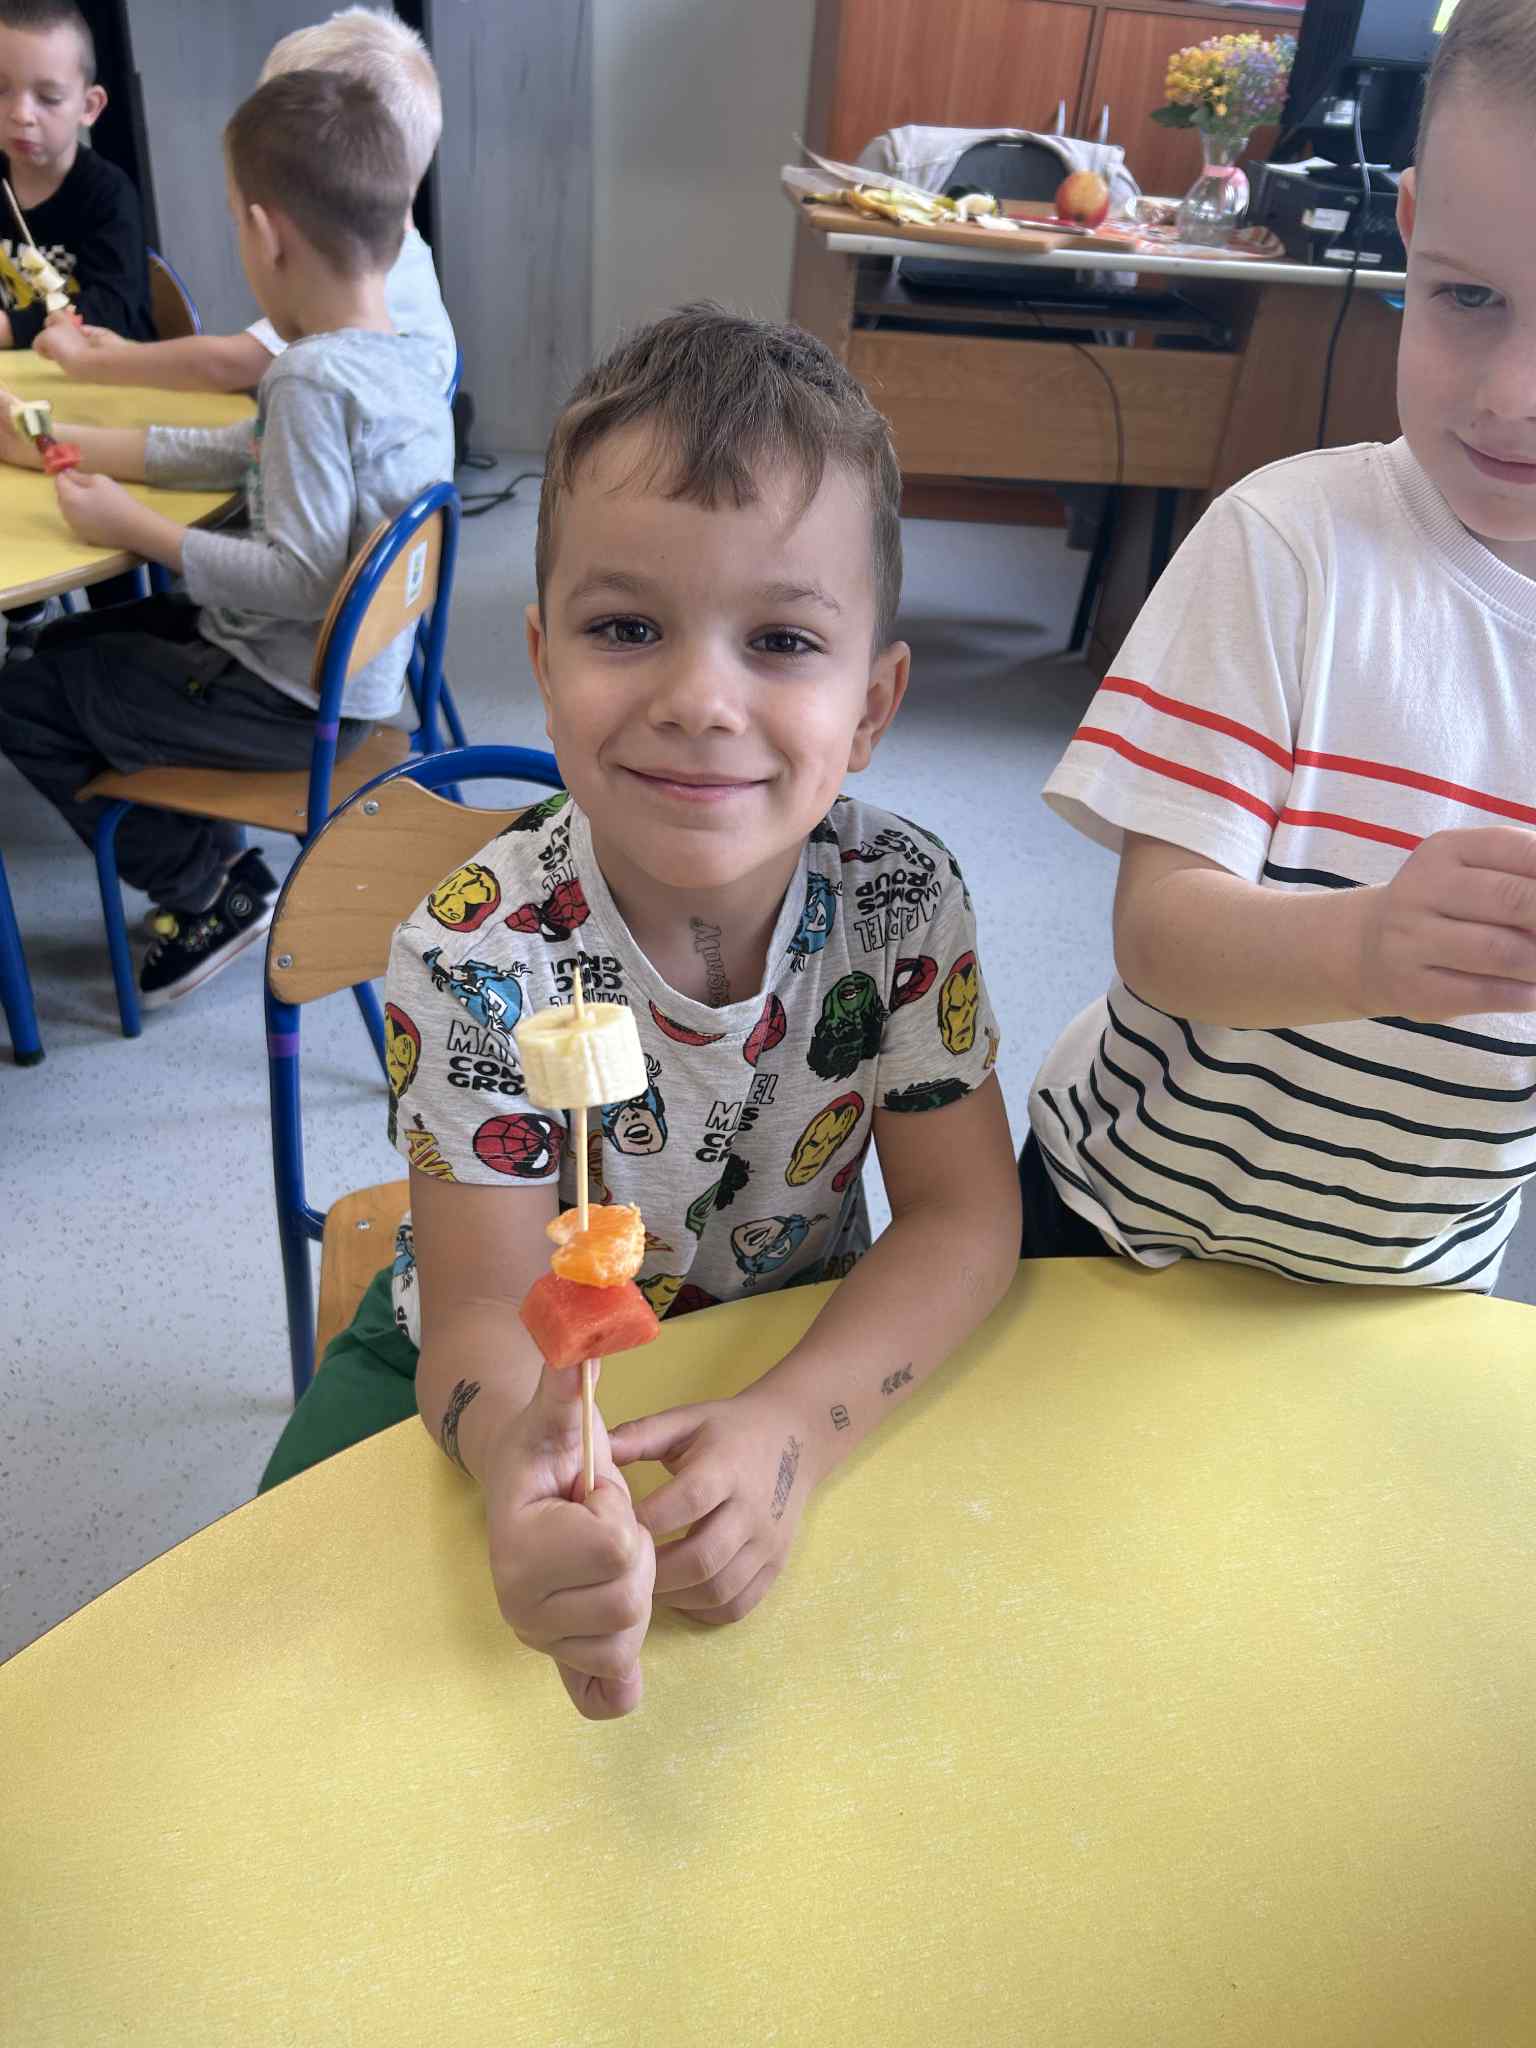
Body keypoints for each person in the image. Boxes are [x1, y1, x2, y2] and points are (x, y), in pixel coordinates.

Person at [260, 306, 1023, 1720]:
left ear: (872, 704)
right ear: (546, 664)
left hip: (795, 1330)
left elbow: (967, 1216)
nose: (698, 699)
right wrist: (521, 1463)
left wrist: (799, 1425)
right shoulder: (473, 951)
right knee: (294, 1664)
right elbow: (480, 1309)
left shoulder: (903, 902)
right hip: (490, 1356)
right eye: (627, 629)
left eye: (782, 638)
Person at [1023, 0, 1536, 1293]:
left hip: (1413, 1286)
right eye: (1470, 296)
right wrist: (1370, 948)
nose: (1512, 394)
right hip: (1122, 1227)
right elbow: (1161, 936)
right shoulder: (1288, 546)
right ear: (1409, 228)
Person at [0, 68, 452, 1006]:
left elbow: (298, 578)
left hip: (285, 695)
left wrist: (136, 528)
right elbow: (240, 451)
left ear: (264, 232)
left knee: (18, 696)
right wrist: (72, 444)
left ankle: (203, 889)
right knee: (62, 647)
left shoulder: (308, 380)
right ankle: (207, 858)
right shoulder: (398, 355)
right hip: (331, 679)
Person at [32, 4, 455, 394]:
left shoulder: (366, 286)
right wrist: (124, 353)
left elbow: (230, 365)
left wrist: (91, 363)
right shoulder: (381, 262)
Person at [0, 0, 151, 347]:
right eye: (0, 89)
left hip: (108, 371)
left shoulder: (108, 195)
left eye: (48, 97)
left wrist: (10, 328)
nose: (21, 114)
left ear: (88, 107)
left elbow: (113, 311)